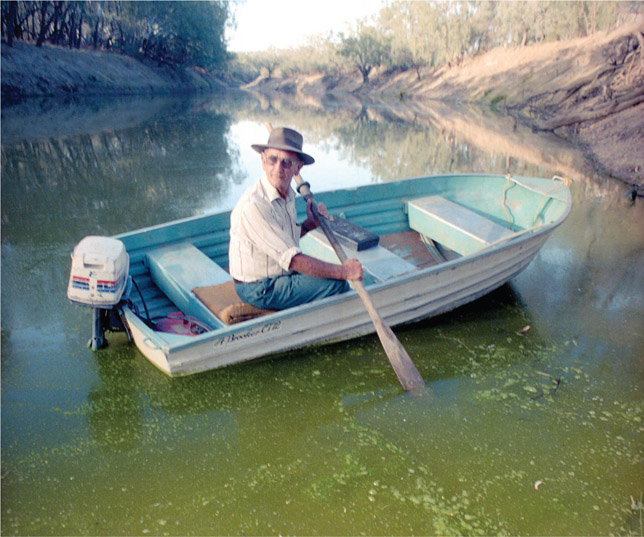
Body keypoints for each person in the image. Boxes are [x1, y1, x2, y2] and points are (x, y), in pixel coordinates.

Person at [229, 127, 363, 310]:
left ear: (297, 168)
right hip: (259, 287)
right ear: (263, 160)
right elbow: (293, 260)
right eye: (272, 159)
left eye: (286, 162)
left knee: (330, 276)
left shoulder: (286, 195)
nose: (278, 169)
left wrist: (309, 224)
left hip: (277, 274)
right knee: (336, 284)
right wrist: (345, 272)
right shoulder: (255, 206)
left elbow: (285, 240)